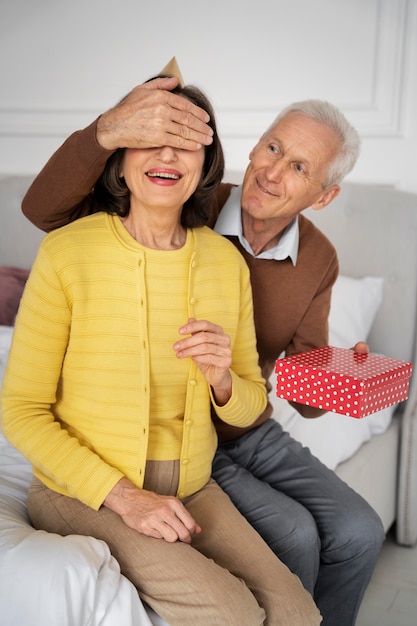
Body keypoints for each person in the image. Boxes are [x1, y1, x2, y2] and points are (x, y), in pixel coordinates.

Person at [21, 73, 385, 626]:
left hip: (235, 431)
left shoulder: (281, 258)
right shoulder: (174, 195)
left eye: (299, 167)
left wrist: (340, 370)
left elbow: (281, 387)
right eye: (272, 147)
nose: (271, 171)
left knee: (355, 531)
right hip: (156, 455)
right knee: (291, 534)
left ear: (325, 195)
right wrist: (111, 128)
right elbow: (49, 210)